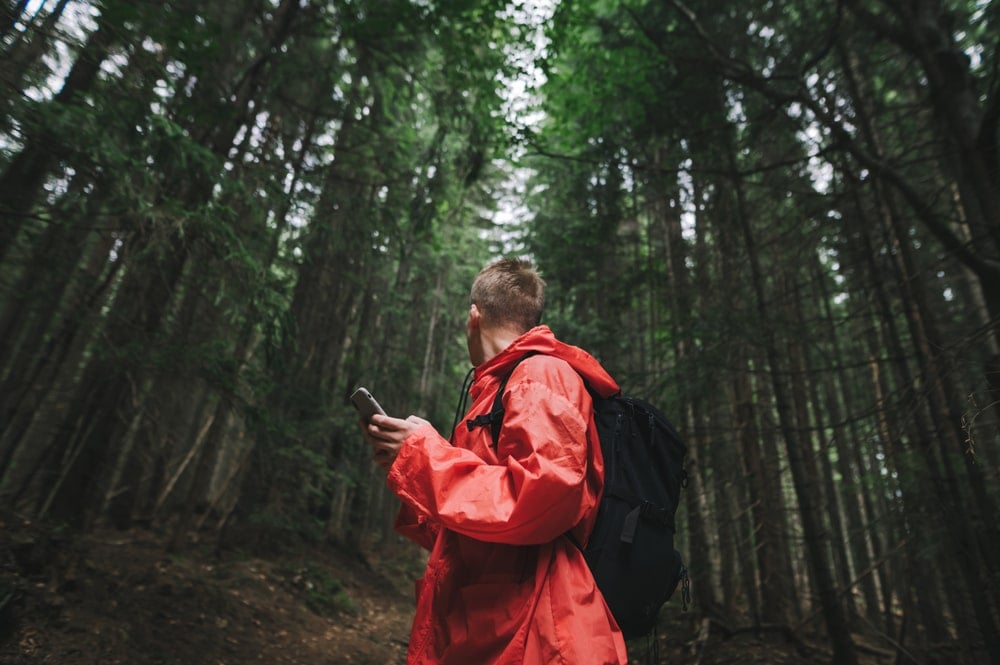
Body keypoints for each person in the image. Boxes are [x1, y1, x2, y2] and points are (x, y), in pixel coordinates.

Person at [361, 258, 628, 665]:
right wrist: (408, 464)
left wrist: (425, 457)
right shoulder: (495, 394)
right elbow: (472, 527)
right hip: (491, 628)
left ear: (474, 316)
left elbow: (540, 499)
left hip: (539, 632)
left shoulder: (541, 374)